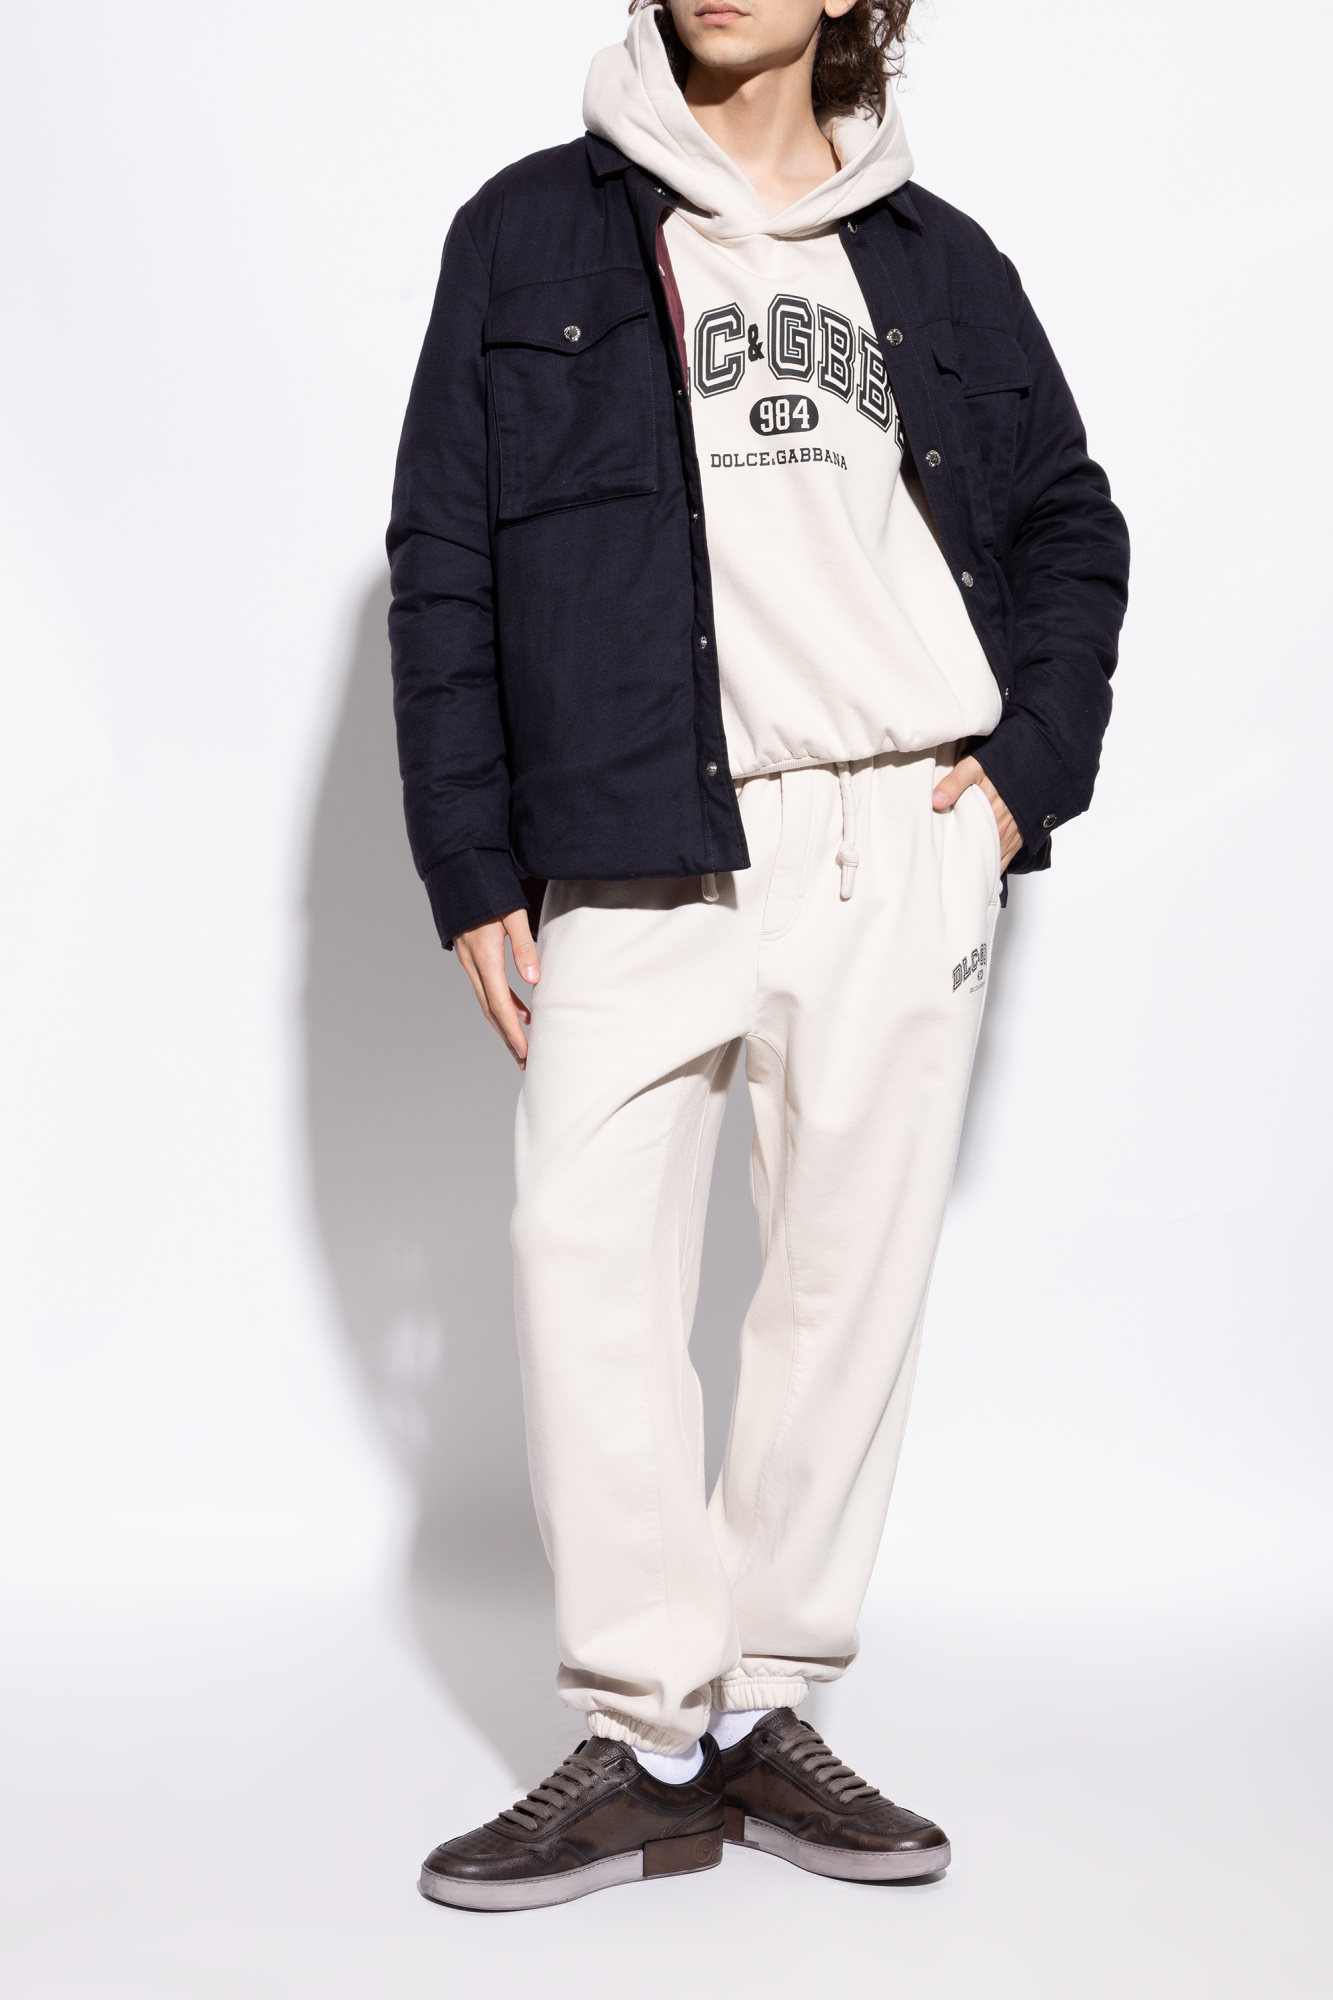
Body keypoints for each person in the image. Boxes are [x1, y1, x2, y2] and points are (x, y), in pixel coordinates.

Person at [387, 0, 1129, 1912]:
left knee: (838, 1285)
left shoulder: (938, 261)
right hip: (634, 827)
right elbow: (444, 553)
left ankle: (763, 1706)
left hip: (894, 830)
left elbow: (1066, 522)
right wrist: (470, 856)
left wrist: (1018, 781)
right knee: (582, 1262)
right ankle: (646, 1730)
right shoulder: (527, 231)